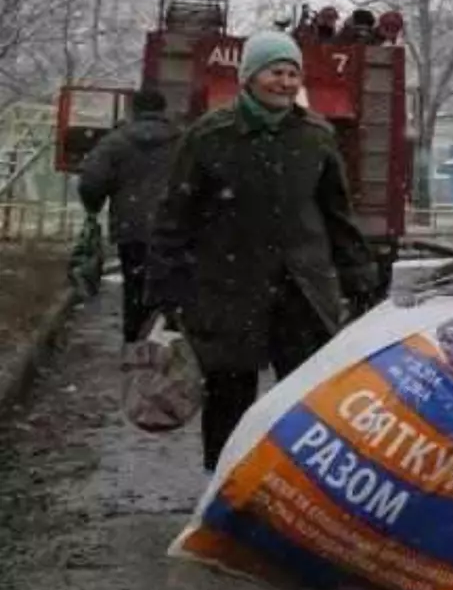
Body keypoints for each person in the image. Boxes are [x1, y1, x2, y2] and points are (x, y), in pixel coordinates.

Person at [149, 31, 380, 472]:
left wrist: (359, 277)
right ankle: (225, 483)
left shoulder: (315, 136)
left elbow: (337, 214)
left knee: (304, 395)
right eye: (276, 72)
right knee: (229, 395)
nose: (285, 82)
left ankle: (296, 483)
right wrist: (165, 290)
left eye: (293, 74)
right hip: (227, 290)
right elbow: (175, 215)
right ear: (249, 77)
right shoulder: (210, 136)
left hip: (301, 291)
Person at [76, 87, 182, 343]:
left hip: (131, 228)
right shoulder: (183, 141)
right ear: (163, 109)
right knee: (171, 290)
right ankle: (167, 344)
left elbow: (91, 180)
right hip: (173, 230)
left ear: (134, 110)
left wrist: (94, 206)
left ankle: (134, 345)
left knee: (135, 289)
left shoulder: (116, 141)